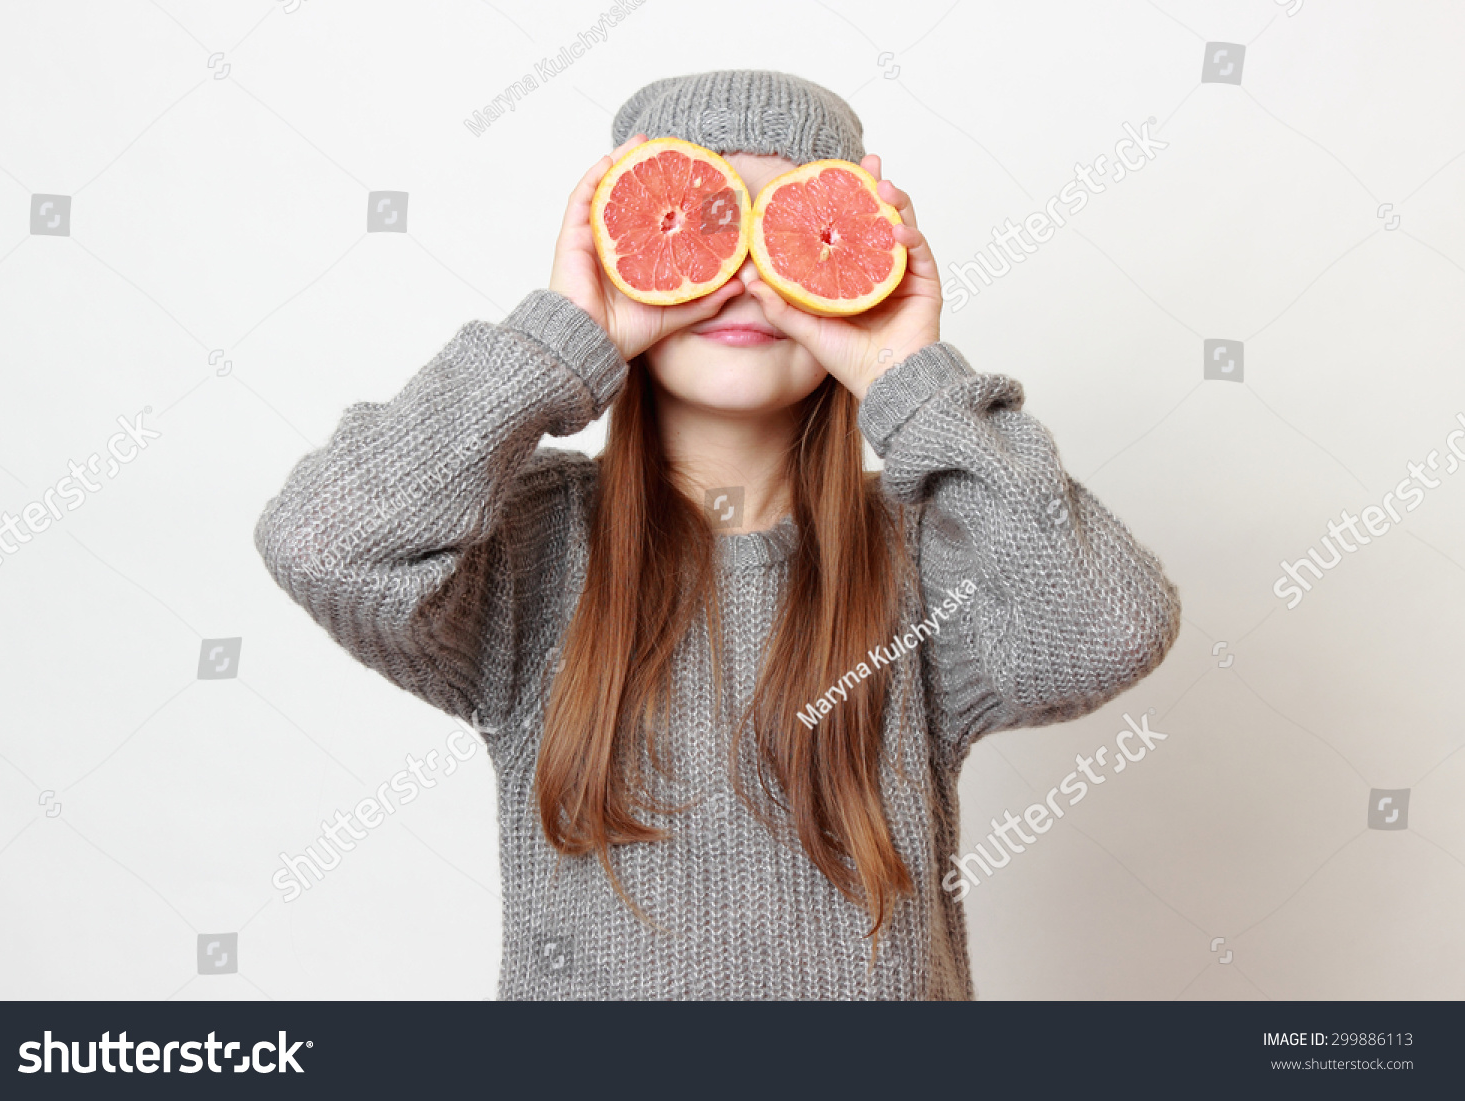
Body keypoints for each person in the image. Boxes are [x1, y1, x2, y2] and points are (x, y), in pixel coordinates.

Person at [253, 70, 1181, 999]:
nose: (746, 277)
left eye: (787, 231)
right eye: (701, 223)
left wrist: (911, 375)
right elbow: (322, 541)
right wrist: (559, 340)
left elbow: (1110, 631)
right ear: (616, 248)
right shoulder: (530, 546)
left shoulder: (930, 553)